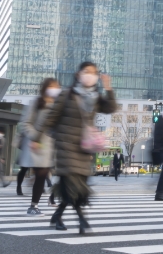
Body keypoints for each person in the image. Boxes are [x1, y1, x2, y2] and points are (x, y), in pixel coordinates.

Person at [34, 61, 117, 234]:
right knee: (73, 184)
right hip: (65, 146)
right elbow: (50, 118)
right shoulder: (66, 95)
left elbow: (111, 108)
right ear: (78, 74)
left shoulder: (94, 97)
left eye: (94, 72)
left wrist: (108, 88)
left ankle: (57, 215)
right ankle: (82, 218)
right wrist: (36, 138)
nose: (90, 75)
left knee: (77, 185)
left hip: (84, 148)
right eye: (86, 71)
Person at [17, 78, 60, 215]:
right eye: (52, 86)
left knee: (52, 174)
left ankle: (48, 200)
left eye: (56, 86)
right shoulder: (36, 102)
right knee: (42, 174)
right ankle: (34, 206)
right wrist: (34, 137)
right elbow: (26, 123)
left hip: (53, 145)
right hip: (37, 144)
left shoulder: (58, 104)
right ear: (45, 88)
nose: (55, 89)